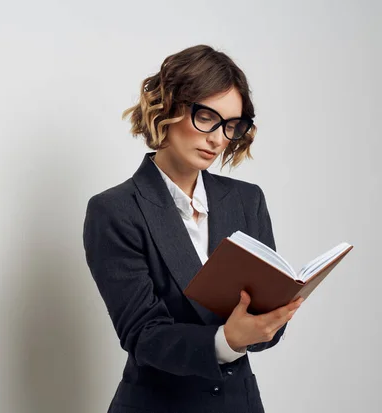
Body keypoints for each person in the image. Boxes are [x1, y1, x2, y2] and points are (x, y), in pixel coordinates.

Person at [82, 44, 304, 413]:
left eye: (231, 125)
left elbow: (267, 329)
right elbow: (143, 335)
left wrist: (270, 321)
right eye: (206, 117)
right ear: (167, 106)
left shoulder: (246, 201)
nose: (218, 139)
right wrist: (227, 340)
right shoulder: (115, 210)